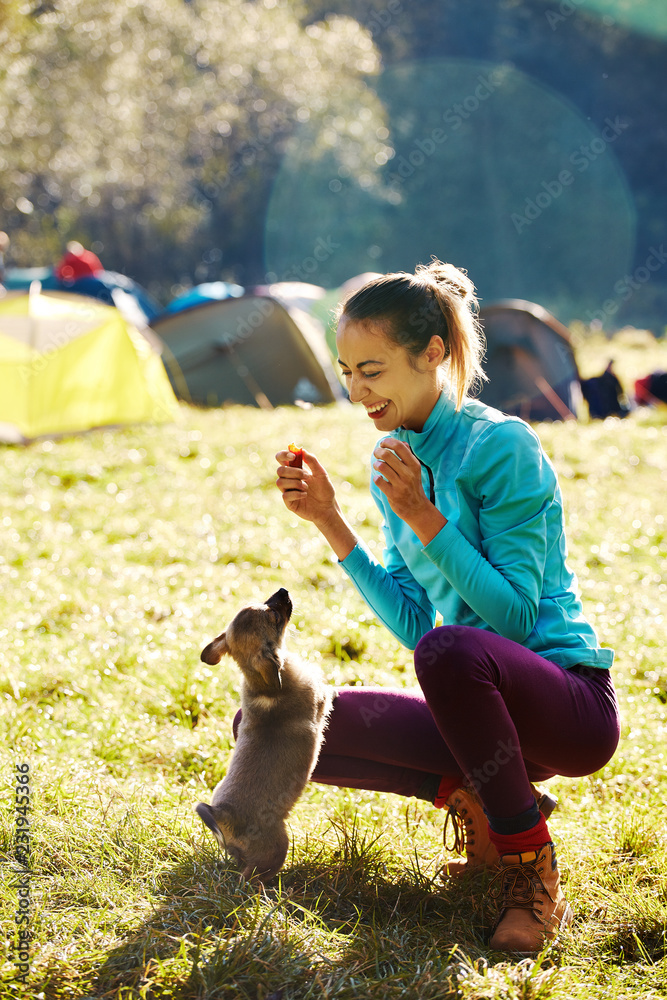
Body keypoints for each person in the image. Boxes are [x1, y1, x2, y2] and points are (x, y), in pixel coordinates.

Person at [275, 260, 620, 953]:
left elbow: (515, 618)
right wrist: (328, 519)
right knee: (284, 729)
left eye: (371, 370)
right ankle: (491, 806)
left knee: (449, 652)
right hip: (477, 711)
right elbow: (412, 618)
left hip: (567, 708)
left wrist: (424, 517)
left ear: (430, 354)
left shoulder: (502, 447)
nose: (356, 391)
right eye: (346, 372)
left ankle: (532, 873)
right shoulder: (392, 456)